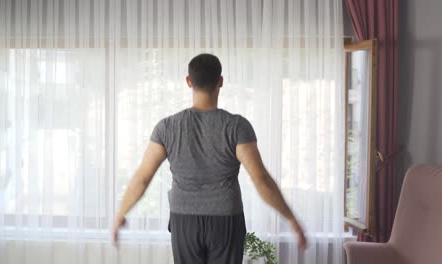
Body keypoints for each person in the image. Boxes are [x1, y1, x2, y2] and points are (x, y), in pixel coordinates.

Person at [112, 53, 307, 263]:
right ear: (220, 81)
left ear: (189, 81)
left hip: (184, 220)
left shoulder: (166, 127)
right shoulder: (237, 127)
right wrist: (291, 218)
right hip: (226, 219)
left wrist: (120, 215)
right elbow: (260, 179)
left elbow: (142, 177)